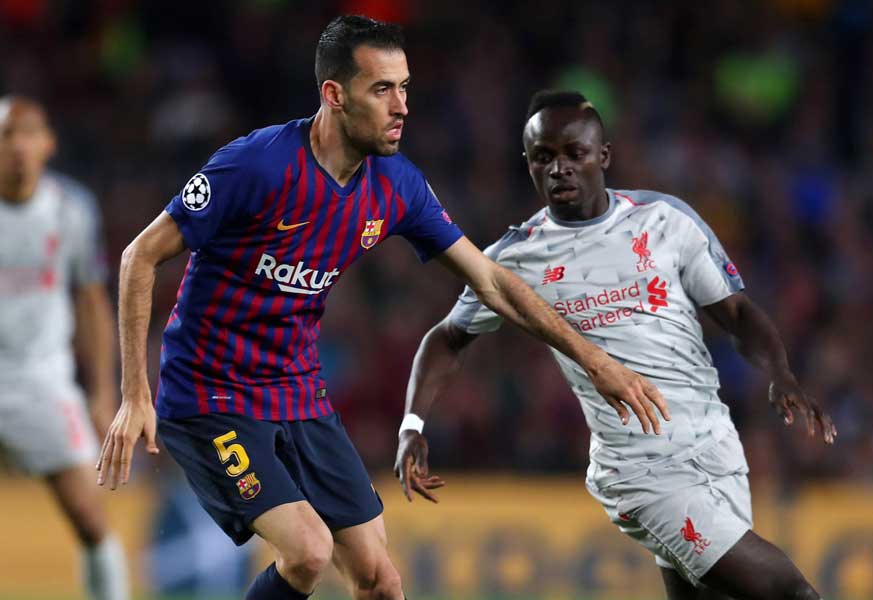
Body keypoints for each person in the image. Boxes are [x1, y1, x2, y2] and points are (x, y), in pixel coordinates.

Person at [95, 19, 668, 600]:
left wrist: (594, 359)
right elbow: (139, 256)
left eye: (405, 87)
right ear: (334, 95)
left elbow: (492, 282)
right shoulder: (255, 166)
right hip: (211, 395)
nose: (402, 107)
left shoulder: (396, 185)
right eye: (382, 89)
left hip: (296, 391)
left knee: (379, 580)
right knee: (308, 552)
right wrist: (135, 394)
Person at [395, 90, 837, 600]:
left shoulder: (665, 220)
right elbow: (447, 338)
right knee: (791, 593)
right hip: (641, 473)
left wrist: (781, 373)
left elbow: (736, 312)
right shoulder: (515, 258)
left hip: (716, 447)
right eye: (543, 157)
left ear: (602, 155)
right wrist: (413, 425)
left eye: (574, 153)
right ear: (528, 164)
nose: (559, 168)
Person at [0, 96, 128, 600]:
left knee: (89, 519)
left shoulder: (69, 209)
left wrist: (102, 393)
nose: (18, 146)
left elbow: (92, 303)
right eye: (7, 135)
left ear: (48, 143)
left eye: (29, 133)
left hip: (40, 381)